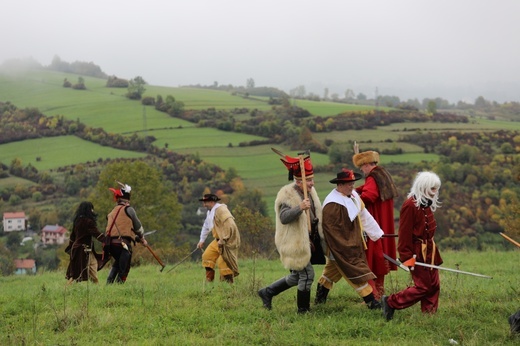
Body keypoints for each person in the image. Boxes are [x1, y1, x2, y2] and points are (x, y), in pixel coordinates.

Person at [258, 152, 323, 314]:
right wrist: (300, 208)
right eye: (309, 181)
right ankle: (303, 310)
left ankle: (267, 292)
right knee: (307, 275)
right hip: (293, 244)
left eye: (312, 180)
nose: (312, 184)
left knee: (296, 277)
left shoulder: (310, 193)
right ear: (299, 181)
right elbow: (284, 217)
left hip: (306, 243)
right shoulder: (286, 195)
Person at [314, 168, 384, 310]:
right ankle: (372, 303)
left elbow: (364, 215)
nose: (352, 186)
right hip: (340, 247)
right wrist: (347, 247)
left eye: (352, 183)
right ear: (339, 185)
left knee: (329, 273)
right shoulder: (332, 204)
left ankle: (319, 300)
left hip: (349, 244)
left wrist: (376, 233)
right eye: (348, 184)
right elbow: (332, 232)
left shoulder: (353, 196)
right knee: (354, 272)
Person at [382, 171, 443, 321]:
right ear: (423, 187)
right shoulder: (410, 205)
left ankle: (429, 316)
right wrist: (407, 257)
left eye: (436, 189)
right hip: (417, 252)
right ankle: (391, 302)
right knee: (423, 286)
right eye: (433, 189)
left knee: (434, 285)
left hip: (430, 251)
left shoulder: (426, 202)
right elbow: (404, 235)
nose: (435, 193)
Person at [353, 144, 399, 300]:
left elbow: (369, 195)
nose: (362, 171)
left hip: (375, 222)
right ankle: (379, 292)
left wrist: (353, 198)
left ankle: (375, 295)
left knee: (373, 258)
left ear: (366, 165)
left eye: (362, 168)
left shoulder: (373, 177)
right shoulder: (382, 174)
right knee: (380, 258)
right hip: (383, 222)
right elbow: (368, 187)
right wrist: (356, 189)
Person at [104, 181, 148, 284]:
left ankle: (108, 284)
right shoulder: (129, 209)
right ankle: (119, 287)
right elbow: (138, 227)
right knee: (124, 267)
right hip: (122, 244)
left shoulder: (111, 212)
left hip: (109, 245)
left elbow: (122, 230)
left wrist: (135, 238)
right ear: (127, 201)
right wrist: (142, 237)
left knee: (118, 263)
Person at [197, 193, 240, 283]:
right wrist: (201, 240)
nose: (204, 204)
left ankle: (228, 288)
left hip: (227, 241)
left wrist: (223, 239)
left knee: (223, 263)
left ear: (212, 202)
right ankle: (209, 283)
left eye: (206, 202)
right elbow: (206, 226)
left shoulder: (221, 210)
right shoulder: (210, 212)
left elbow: (230, 224)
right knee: (207, 256)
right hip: (217, 240)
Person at [65, 201, 105, 284]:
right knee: (76, 274)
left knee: (87, 268)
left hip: (76, 249)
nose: (93, 211)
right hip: (83, 250)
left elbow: (72, 237)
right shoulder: (88, 222)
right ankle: (66, 289)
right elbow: (96, 234)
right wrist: (107, 240)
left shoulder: (77, 221)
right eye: (91, 209)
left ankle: (97, 286)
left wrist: (70, 248)